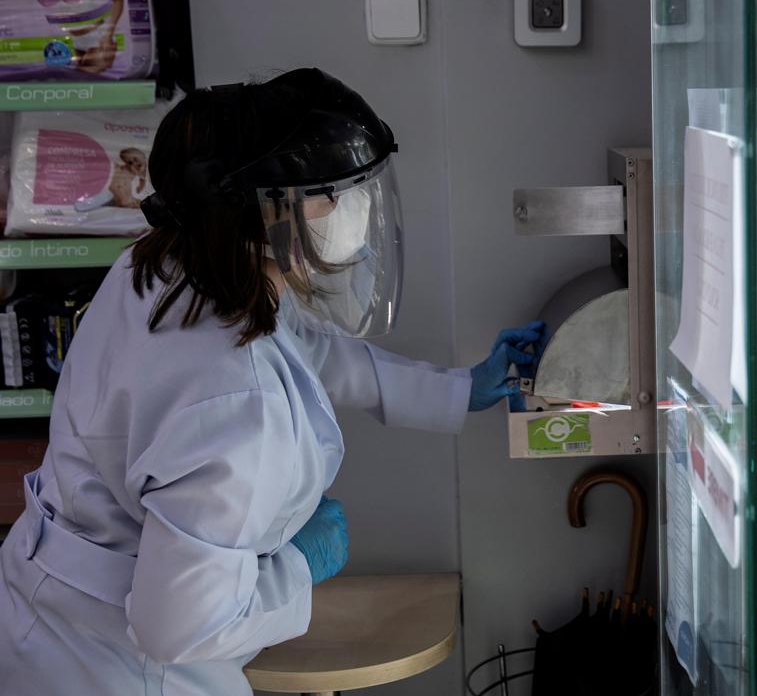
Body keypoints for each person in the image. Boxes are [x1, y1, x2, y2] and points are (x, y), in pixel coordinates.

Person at [0, 69, 540, 695]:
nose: (353, 211)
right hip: (122, 671)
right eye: (330, 194)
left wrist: (457, 388)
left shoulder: (170, 269)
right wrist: (297, 568)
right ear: (258, 213)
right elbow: (178, 629)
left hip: (43, 614)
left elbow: (309, 352)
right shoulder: (234, 405)